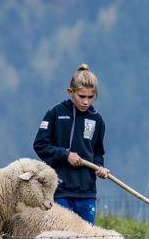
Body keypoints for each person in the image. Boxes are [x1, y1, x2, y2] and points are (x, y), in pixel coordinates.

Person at [33, 63, 110, 224]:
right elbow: (40, 145)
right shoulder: (55, 113)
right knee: (62, 235)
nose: (86, 102)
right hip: (60, 191)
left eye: (90, 97)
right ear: (70, 92)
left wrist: (99, 167)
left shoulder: (97, 119)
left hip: (86, 192)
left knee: (87, 236)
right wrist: (65, 155)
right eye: (82, 96)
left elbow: (98, 152)